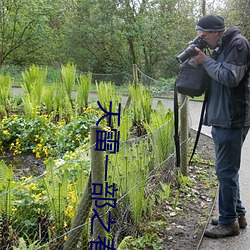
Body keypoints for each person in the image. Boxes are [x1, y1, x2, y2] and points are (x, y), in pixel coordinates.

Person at [192, 15, 250, 238]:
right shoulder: (221, 46)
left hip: (232, 118)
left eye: (204, 37)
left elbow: (229, 77)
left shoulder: (238, 44)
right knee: (227, 171)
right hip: (222, 117)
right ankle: (237, 214)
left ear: (216, 32)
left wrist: (205, 61)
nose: (203, 41)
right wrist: (202, 60)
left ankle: (228, 223)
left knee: (225, 171)